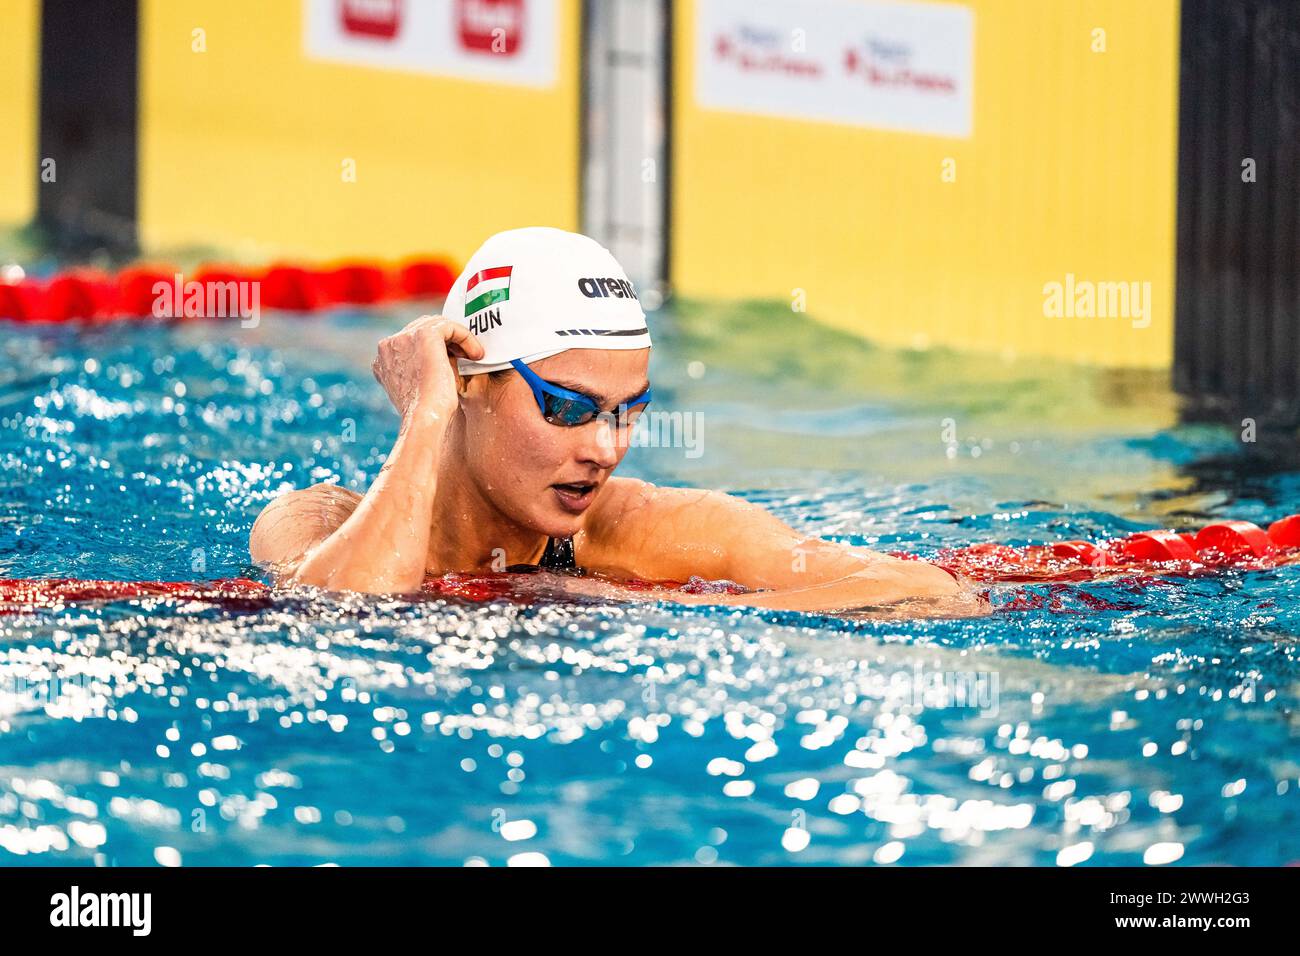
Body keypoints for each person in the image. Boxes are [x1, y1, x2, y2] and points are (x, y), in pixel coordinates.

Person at [250, 227, 983, 617]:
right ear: (470, 384)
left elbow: (927, 589)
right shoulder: (312, 521)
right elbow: (341, 624)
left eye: (628, 412)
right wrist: (424, 415)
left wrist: (691, 622)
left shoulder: (637, 531)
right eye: (567, 407)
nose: (606, 449)